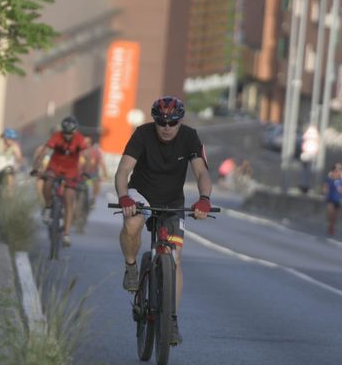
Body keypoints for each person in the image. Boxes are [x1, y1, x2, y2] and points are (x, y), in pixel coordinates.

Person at [113, 95, 214, 346]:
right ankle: (131, 267)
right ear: (155, 121)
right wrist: (124, 197)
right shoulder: (142, 134)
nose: (167, 128)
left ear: (180, 121)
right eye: (162, 123)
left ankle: (170, 320)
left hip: (171, 203)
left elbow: (201, 171)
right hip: (141, 195)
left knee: (175, 260)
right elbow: (123, 170)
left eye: (172, 123)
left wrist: (204, 199)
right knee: (133, 223)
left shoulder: (190, 136)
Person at [33, 116, 89, 245]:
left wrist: (85, 172)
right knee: (47, 182)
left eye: (70, 133)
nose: (68, 136)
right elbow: (44, 152)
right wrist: (36, 168)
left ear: (75, 131)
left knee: (69, 198)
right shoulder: (56, 136)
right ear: (62, 131)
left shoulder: (79, 139)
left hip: (71, 171)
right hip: (54, 167)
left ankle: (66, 234)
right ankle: (48, 206)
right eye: (65, 133)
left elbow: (87, 157)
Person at [80, 134, 107, 219]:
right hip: (81, 175)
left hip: (93, 175)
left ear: (91, 143)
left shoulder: (96, 152)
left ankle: (93, 199)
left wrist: (105, 173)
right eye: (84, 142)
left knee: (96, 184)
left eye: (88, 142)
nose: (86, 144)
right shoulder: (79, 151)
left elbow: (102, 163)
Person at [324, 162, 342, 236]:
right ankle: (330, 225)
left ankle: (332, 226)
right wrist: (325, 191)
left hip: (337, 200)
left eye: (340, 170)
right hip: (330, 199)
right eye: (337, 170)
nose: (338, 172)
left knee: (334, 216)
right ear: (333, 171)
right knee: (330, 213)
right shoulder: (329, 179)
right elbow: (326, 187)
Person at [298, 124, 320, 193]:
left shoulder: (309, 133)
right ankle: (306, 186)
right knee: (308, 171)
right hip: (311, 154)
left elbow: (304, 140)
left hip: (308, 154)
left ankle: (305, 186)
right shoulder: (315, 133)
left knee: (306, 171)